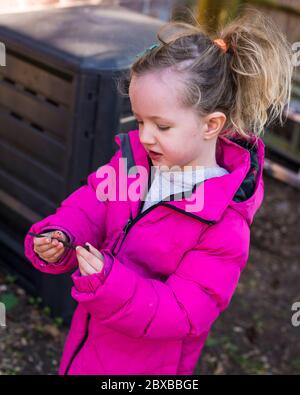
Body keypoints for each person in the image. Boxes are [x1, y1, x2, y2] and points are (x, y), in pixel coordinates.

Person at [24, 7, 292, 375]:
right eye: (140, 120)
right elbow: (91, 206)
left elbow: (184, 312)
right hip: (91, 342)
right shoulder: (133, 163)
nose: (145, 135)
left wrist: (109, 284)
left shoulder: (224, 224)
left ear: (211, 124)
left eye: (162, 126)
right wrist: (62, 235)